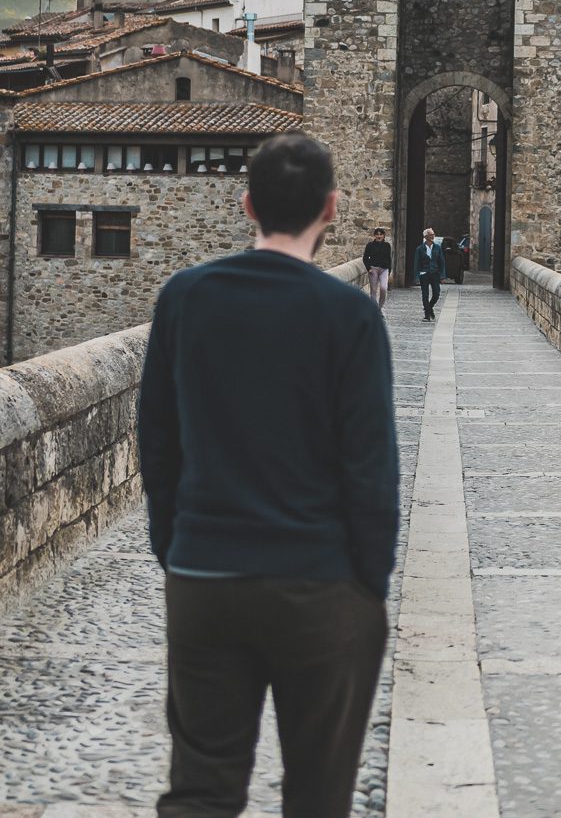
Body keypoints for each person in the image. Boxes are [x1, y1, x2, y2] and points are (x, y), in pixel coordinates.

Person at [138, 133, 399, 818]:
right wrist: (367, 587)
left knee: (200, 788)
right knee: (318, 797)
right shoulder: (350, 317)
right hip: (319, 585)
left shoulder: (183, 298)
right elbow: (371, 469)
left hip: (205, 579)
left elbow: (157, 445)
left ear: (248, 204)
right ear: (332, 209)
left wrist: (177, 552)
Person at [413, 226, 445, 321]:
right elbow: (416, 263)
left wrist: (442, 275)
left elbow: (442, 262)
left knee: (436, 294)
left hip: (435, 273)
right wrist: (417, 276)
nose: (432, 236)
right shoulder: (420, 249)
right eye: (430, 234)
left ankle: (429, 308)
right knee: (425, 294)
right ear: (426, 236)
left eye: (433, 234)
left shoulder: (438, 248)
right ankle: (427, 315)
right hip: (424, 274)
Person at [362, 226, 392, 310]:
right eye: (377, 234)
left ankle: (380, 308)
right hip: (373, 269)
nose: (379, 236)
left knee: (383, 288)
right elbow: (365, 258)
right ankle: (374, 310)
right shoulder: (370, 245)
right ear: (374, 236)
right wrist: (369, 268)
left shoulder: (387, 245)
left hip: (384, 269)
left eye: (381, 234)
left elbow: (389, 258)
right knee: (373, 290)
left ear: (383, 236)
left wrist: (389, 271)